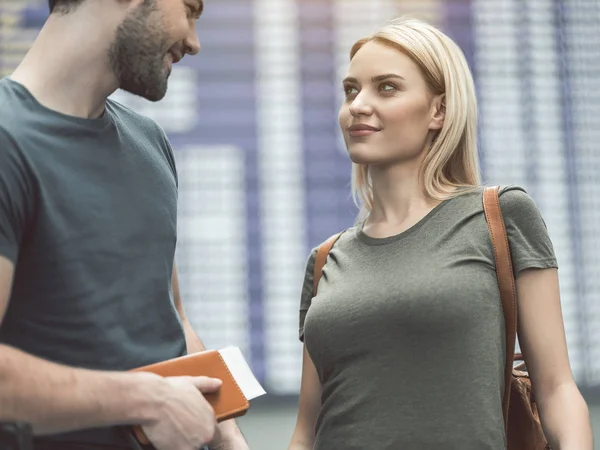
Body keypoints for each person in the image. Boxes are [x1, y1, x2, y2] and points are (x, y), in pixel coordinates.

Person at [288, 17, 594, 450]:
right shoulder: (325, 260)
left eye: (387, 87)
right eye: (351, 90)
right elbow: (306, 431)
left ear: (439, 110)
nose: (357, 105)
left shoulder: (501, 215)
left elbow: (557, 387)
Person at [0, 0, 250, 449]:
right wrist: (144, 399)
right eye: (190, 9)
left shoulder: (149, 142)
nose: (194, 42)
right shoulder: (7, 139)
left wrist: (230, 438)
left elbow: (173, 320)